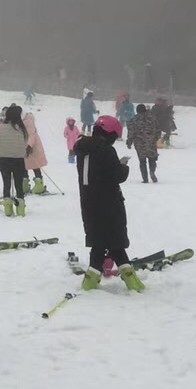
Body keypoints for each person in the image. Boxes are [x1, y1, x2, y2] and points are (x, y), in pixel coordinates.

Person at [73, 116, 143, 290]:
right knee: (115, 242)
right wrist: (123, 166)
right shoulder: (105, 150)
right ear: (110, 134)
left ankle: (89, 283)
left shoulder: (83, 148)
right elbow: (117, 175)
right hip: (109, 203)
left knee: (98, 243)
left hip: (89, 203)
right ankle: (133, 283)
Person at [0, 104, 29, 217]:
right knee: (19, 184)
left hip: (4, 159)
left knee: (6, 183)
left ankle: (8, 208)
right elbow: (25, 143)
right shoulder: (22, 128)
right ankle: (20, 208)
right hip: (18, 160)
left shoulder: (1, 127)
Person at [126, 103, 159, 182]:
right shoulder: (152, 118)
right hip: (151, 142)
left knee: (142, 161)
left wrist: (129, 141)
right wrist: (156, 138)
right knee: (152, 159)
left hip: (139, 143)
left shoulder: (134, 119)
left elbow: (131, 132)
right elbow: (158, 128)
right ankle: (152, 171)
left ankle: (145, 179)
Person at [22, 112, 48, 193]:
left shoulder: (28, 120)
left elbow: (31, 135)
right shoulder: (20, 120)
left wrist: (29, 146)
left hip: (32, 147)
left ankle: (39, 186)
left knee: (35, 165)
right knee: (23, 166)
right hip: (23, 145)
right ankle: (24, 185)